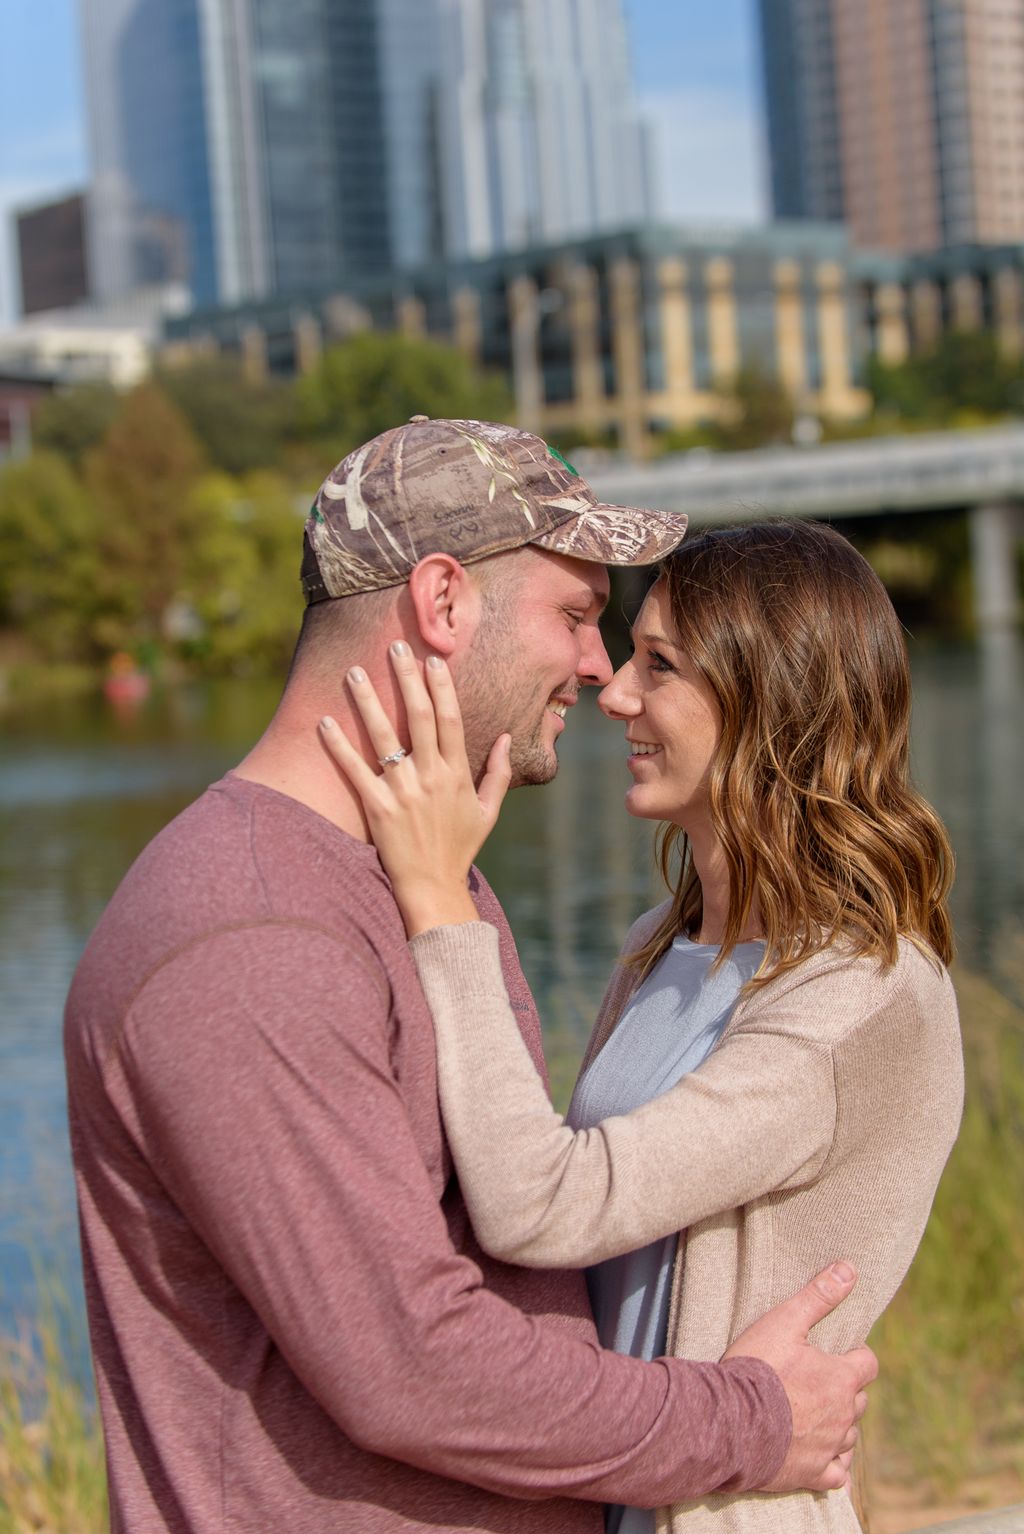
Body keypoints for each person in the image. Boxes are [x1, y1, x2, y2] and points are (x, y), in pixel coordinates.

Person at [65, 419, 875, 1534]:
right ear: (442, 603)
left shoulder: (427, 875)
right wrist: (749, 1424)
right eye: (579, 617)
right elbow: (408, 1360)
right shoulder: (248, 933)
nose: (599, 670)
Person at [317, 516, 963, 1534]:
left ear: (769, 698)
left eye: (658, 665)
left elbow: (546, 1205)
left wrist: (441, 899)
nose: (612, 690)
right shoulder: (659, 945)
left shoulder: (860, 996)